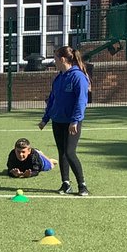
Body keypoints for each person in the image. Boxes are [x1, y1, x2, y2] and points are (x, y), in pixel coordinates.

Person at [38, 45, 91, 195]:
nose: (54, 62)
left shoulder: (78, 76)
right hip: (57, 121)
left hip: (71, 123)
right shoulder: (59, 78)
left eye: (55, 59)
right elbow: (52, 100)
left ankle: (82, 185)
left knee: (70, 152)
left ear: (62, 59)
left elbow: (81, 101)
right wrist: (45, 119)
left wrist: (75, 121)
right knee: (62, 152)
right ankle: (65, 184)